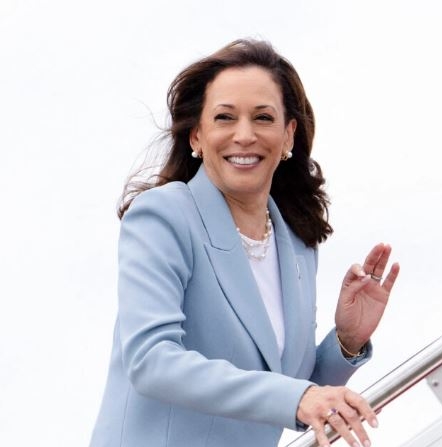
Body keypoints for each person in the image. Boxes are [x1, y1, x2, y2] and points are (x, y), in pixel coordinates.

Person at [90, 38, 400, 447]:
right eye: (224, 117)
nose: (244, 135)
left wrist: (346, 341)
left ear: (288, 135)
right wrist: (299, 396)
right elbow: (151, 361)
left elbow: (289, 393)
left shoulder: (298, 243)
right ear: (197, 136)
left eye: (263, 118)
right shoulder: (164, 215)